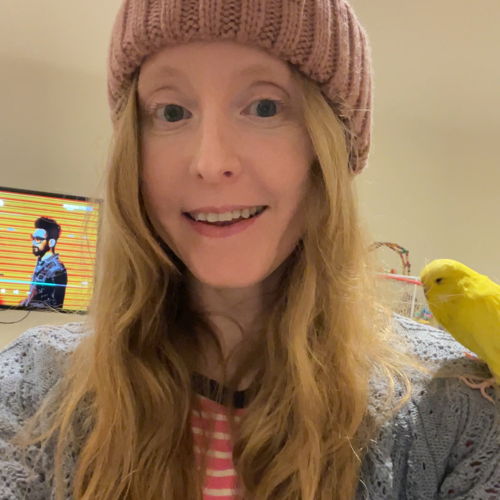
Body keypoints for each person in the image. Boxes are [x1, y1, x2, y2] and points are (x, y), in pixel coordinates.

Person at [0, 1, 498, 499]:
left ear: (330, 150)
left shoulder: (457, 407)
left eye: (264, 107)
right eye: (171, 112)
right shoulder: (31, 390)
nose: (210, 161)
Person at [20, 216, 68, 309]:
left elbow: (55, 307)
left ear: (51, 242)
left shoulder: (57, 270)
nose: (33, 243)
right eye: (33, 238)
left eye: (38, 239)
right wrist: (27, 302)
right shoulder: (41, 262)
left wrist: (30, 305)